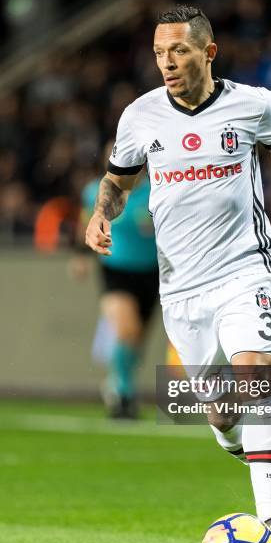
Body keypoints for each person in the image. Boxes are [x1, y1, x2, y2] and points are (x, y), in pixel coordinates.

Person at [85, 5, 271, 543]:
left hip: (245, 269)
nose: (166, 63)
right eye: (158, 53)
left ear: (208, 52)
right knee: (222, 411)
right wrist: (104, 213)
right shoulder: (140, 117)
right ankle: (231, 437)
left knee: (256, 373)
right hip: (181, 288)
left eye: (178, 51)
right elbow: (117, 180)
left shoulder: (254, 105)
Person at [74, 140, 158, 419]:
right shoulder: (96, 191)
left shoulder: (157, 191)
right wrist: (80, 256)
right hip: (116, 270)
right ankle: (123, 394)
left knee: (137, 339)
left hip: (152, 272)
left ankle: (119, 381)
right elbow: (86, 222)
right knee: (127, 330)